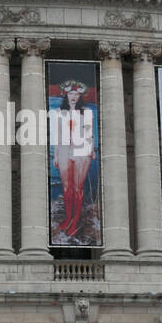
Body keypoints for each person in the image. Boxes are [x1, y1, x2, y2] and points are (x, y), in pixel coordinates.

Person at [52, 80, 96, 238]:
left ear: (80, 96)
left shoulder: (87, 112)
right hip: (64, 150)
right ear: (66, 94)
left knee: (78, 188)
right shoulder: (59, 112)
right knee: (66, 188)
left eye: (77, 94)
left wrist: (91, 150)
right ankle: (68, 218)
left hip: (81, 151)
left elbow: (89, 135)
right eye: (71, 93)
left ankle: (75, 221)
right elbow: (57, 136)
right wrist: (56, 155)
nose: (73, 97)